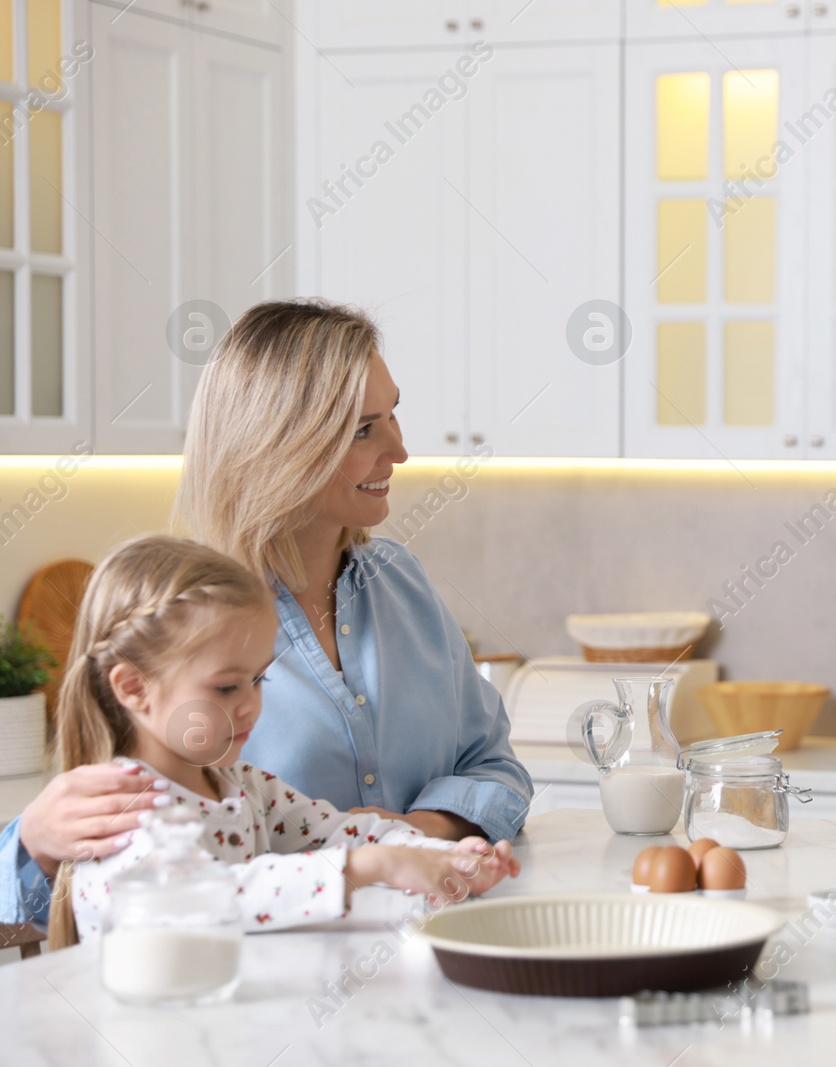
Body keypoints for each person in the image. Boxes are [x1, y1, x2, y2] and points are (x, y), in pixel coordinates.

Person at [1, 299, 533, 927]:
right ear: (284, 446)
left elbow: (496, 766)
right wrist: (32, 845)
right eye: (364, 430)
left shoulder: (402, 582)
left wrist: (415, 835)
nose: (402, 450)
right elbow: (102, 887)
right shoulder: (187, 624)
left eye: (393, 416)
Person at [47, 535, 516, 948]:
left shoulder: (242, 785)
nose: (250, 705)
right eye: (227, 687)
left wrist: (444, 857)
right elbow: (202, 899)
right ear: (133, 687)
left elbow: (341, 831)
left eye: (259, 681)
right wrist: (372, 865)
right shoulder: (117, 808)